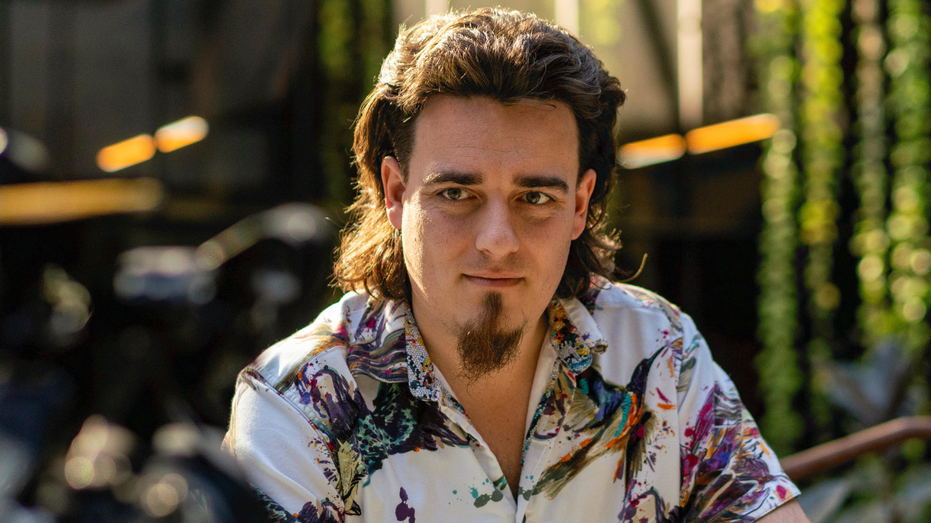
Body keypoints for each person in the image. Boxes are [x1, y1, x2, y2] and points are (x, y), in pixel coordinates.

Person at [224, 8, 810, 523]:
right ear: (396, 193)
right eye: (457, 194)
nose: (498, 241)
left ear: (579, 205)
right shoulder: (299, 406)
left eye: (535, 198)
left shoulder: (659, 354)